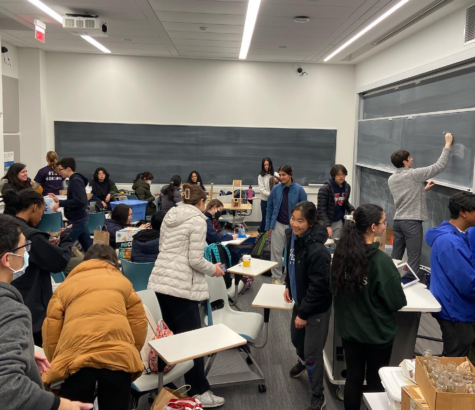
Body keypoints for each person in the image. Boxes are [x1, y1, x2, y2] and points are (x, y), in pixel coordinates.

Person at [0, 214, 93, 410]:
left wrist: (19, 350)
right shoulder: (12, 310)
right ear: (8, 259)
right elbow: (7, 388)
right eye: (24, 248)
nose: (27, 254)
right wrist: (59, 405)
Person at [148, 184, 226, 408]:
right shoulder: (198, 220)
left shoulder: (170, 214)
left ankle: (166, 387)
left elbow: (164, 247)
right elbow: (195, 260)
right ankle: (199, 391)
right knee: (193, 342)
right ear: (202, 203)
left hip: (161, 281)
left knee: (170, 338)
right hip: (182, 286)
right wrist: (215, 269)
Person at [42, 244, 147, 410]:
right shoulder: (124, 283)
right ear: (114, 262)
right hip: (118, 358)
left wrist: (57, 361)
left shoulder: (64, 287)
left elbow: (51, 331)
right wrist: (130, 350)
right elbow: (139, 324)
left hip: (75, 360)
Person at [331, 204, 407, 410]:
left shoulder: (340, 255)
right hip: (376, 335)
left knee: (353, 377)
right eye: (383, 223)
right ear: (373, 227)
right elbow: (397, 302)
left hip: (349, 332)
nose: (385, 226)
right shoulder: (381, 262)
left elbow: (334, 289)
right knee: (376, 380)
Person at [2, 189, 73, 346]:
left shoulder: (6, 227)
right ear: (35, 207)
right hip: (33, 311)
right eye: (42, 210)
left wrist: (46, 244)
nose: (42, 216)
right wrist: (66, 239)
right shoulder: (30, 236)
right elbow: (59, 262)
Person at [283, 201, 332, 410]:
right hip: (300, 300)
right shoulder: (292, 235)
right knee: (296, 340)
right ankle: (302, 362)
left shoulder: (317, 251)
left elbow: (319, 287)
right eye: (293, 218)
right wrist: (288, 284)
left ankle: (318, 395)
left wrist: (303, 314)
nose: (295, 224)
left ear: (311, 223)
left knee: (313, 352)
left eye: (300, 220)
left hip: (316, 307)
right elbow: (291, 262)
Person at [388, 132, 453, 281]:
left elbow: (405, 196)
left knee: (395, 258)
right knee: (413, 262)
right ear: (405, 162)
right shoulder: (414, 174)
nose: (412, 159)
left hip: (398, 222)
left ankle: (391, 284)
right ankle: (416, 293)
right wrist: (447, 145)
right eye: (410, 158)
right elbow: (439, 166)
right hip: (412, 222)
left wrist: (422, 190)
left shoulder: (392, 178)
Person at [426, 192, 475, 357]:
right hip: (455, 309)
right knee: (454, 362)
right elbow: (467, 283)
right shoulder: (450, 242)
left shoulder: (456, 235)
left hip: (454, 305)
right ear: (463, 212)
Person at [266, 165, 307, 284]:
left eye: (284, 175)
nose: (281, 177)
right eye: (280, 175)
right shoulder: (276, 189)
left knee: (292, 253)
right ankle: (276, 278)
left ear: (290, 174)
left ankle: (290, 278)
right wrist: (269, 225)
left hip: (293, 227)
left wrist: (302, 226)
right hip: (277, 224)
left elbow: (305, 209)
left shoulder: (299, 190)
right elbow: (269, 207)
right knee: (276, 252)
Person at [48, 157, 92, 252]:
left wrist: (61, 203)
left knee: (64, 245)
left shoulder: (75, 181)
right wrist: (58, 200)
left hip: (77, 221)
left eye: (60, 169)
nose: (59, 172)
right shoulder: (75, 179)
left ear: (68, 168)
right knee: (89, 248)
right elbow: (76, 199)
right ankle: (96, 263)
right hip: (80, 219)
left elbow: (80, 201)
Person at [317, 164, 355, 239]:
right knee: (326, 244)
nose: (341, 176)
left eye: (343, 174)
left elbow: (344, 202)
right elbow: (321, 210)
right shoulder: (325, 189)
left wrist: (352, 209)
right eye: (338, 174)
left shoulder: (347, 187)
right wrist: (327, 225)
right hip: (326, 221)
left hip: (338, 221)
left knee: (336, 244)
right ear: (333, 175)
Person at [203, 199, 240, 266]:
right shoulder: (207, 220)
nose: (219, 212)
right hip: (210, 246)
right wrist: (230, 237)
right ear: (214, 207)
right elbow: (214, 237)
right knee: (232, 248)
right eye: (219, 210)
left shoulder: (208, 218)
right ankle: (231, 269)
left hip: (209, 243)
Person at [258, 157, 275, 233]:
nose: (266, 166)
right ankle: (262, 235)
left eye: (268, 164)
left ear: (270, 165)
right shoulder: (261, 176)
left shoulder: (275, 175)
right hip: (265, 201)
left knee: (273, 218)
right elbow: (262, 189)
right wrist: (271, 195)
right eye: (265, 165)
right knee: (265, 218)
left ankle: (271, 235)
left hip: (274, 201)